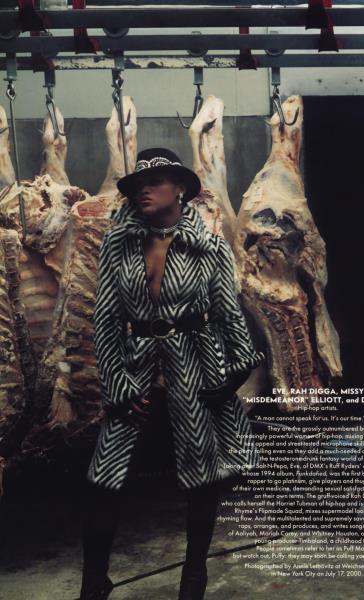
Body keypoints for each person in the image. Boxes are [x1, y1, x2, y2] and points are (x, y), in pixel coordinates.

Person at [80, 148, 263, 600]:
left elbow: (229, 315)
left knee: (203, 477)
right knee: (103, 480)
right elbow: (106, 319)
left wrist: (233, 374)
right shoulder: (118, 244)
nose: (143, 190)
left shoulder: (211, 248)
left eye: (155, 181)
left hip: (196, 367)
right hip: (137, 367)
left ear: (180, 188)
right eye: (137, 185)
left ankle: (194, 575)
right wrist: (119, 386)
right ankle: (93, 580)